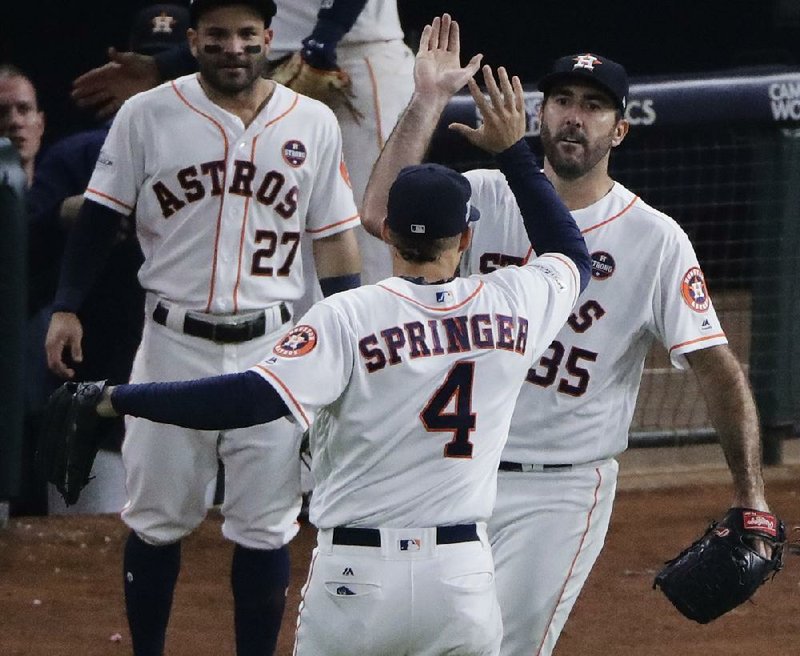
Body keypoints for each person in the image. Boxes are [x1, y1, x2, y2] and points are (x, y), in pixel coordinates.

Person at [73, 20, 590, 652]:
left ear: (388, 232)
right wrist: (512, 149)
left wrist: (117, 398)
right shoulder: (514, 303)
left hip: (357, 581)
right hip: (461, 578)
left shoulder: (346, 317)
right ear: (466, 240)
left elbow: (247, 399)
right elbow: (570, 253)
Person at [361, 31, 771, 656]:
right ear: (539, 112)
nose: (574, 116)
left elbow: (716, 370)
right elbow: (384, 213)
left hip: (558, 490)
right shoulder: (483, 196)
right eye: (561, 100)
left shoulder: (654, 240)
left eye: (593, 105)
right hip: (446, 470)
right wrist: (426, 99)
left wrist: (751, 496)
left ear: (619, 130)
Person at [44, 1, 361, 654]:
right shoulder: (147, 114)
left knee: (266, 526)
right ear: (193, 41)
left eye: (247, 34)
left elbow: (334, 239)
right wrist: (67, 304)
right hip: (171, 344)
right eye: (217, 34)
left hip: (274, 348)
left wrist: (347, 327)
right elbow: (101, 216)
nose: (233, 47)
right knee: (157, 521)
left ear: (268, 39)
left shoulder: (312, 121)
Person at [70, 0, 414, 290]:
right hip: (270, 62)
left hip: (353, 57)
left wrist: (326, 36)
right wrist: (168, 64)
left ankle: (371, 358)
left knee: (363, 239)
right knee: (280, 239)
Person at [26, 3, 192, 515]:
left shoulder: (221, 154)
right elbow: (20, 251)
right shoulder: (78, 156)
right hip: (95, 378)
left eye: (164, 70)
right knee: (85, 539)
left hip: (188, 371)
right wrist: (63, 213)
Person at [0, 65, 45, 187]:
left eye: (24, 109)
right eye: (1, 112)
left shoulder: (61, 203)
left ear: (40, 125)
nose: (15, 121)